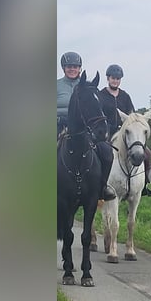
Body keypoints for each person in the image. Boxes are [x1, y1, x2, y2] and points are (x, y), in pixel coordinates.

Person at [56, 51, 115, 201]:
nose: (72, 69)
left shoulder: (86, 87)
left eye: (75, 66)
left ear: (80, 69)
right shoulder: (56, 85)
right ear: (64, 68)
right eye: (69, 66)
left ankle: (102, 187)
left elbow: (95, 108)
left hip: (84, 130)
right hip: (59, 125)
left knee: (107, 152)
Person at [99, 64, 151, 196]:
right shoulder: (101, 95)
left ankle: (146, 183)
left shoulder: (125, 96)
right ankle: (100, 184)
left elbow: (132, 115)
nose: (115, 81)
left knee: (146, 153)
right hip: (106, 133)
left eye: (118, 78)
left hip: (125, 133)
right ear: (108, 78)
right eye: (113, 78)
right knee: (101, 154)